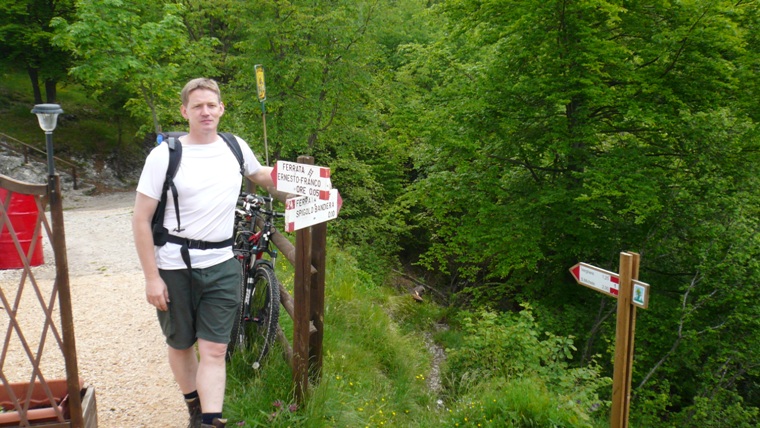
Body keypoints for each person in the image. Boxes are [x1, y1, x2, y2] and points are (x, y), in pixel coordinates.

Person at [132, 78, 274, 428]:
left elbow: (262, 175)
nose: (206, 111)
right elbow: (140, 218)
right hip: (173, 266)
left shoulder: (235, 147)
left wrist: (313, 188)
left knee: (215, 349)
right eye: (197, 106)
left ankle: (210, 420)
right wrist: (152, 278)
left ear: (222, 108)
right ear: (185, 112)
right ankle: (194, 405)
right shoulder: (165, 155)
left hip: (222, 264)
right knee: (181, 344)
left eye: (212, 105)